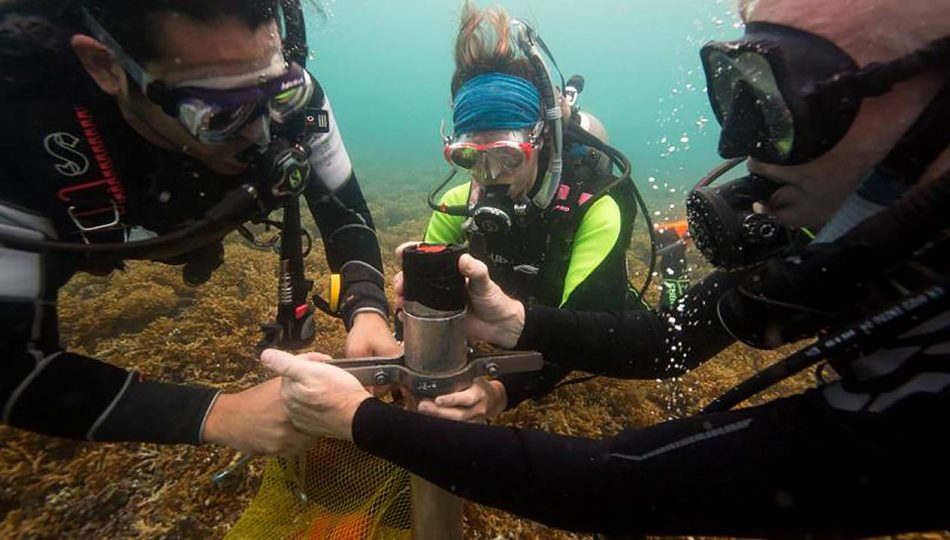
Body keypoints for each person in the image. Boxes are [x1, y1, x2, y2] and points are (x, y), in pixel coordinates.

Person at [262, 0, 950, 535]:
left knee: (635, 305)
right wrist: (481, 320)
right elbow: (661, 347)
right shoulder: (837, 253)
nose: (737, 141)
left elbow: (626, 470)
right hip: (536, 315)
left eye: (787, 88)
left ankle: (670, 261)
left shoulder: (598, 200)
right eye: (735, 86)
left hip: (595, 303)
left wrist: (455, 403)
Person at [0, 0, 399, 456]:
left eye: (277, 94)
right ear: (105, 66)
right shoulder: (16, 138)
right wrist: (217, 414)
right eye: (220, 113)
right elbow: (10, 364)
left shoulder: (298, 100)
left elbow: (345, 211)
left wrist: (367, 308)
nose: (262, 133)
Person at [421, 2, 643, 419]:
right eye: (469, 157)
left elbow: (587, 331)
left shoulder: (597, 209)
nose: (488, 176)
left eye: (507, 155)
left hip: (577, 310)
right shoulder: (456, 205)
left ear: (540, 140)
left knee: (645, 310)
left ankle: (671, 254)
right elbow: (428, 304)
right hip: (513, 313)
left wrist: (502, 391)